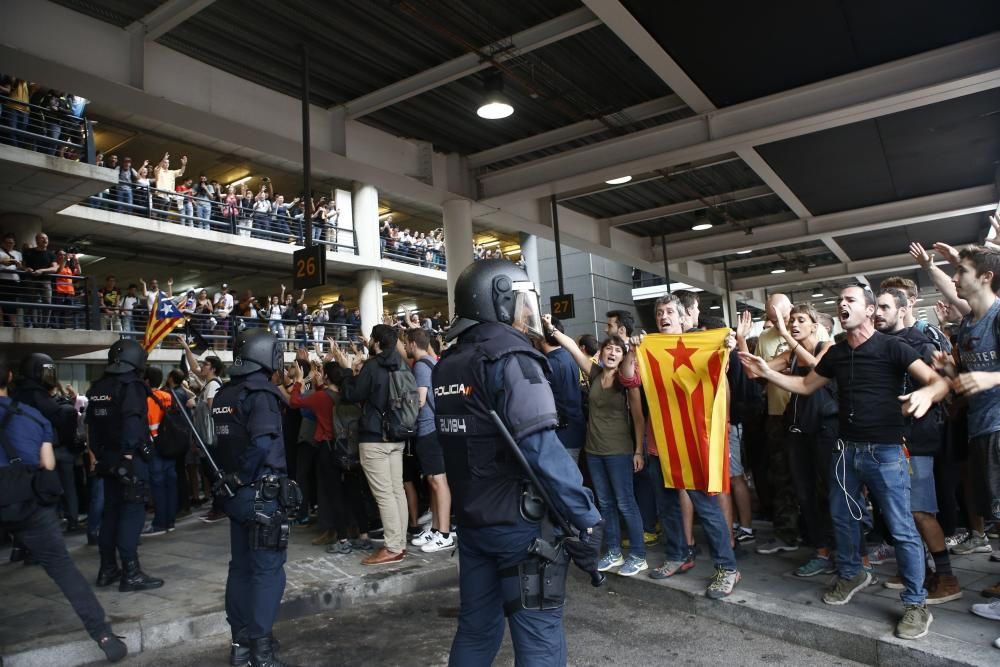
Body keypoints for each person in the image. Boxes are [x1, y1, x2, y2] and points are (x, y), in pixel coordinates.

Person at [740, 283, 951, 640]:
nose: (842, 304)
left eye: (850, 300)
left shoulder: (893, 346)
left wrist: (927, 394)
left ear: (869, 310)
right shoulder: (836, 353)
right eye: (840, 300)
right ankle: (852, 573)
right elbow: (807, 386)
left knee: (901, 528)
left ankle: (916, 604)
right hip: (845, 451)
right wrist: (766, 371)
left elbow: (938, 382)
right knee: (841, 518)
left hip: (885, 453)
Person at [433, 259, 602, 666]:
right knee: (539, 640)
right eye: (522, 302)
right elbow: (542, 448)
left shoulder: (449, 365)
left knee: (475, 631)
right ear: (501, 297)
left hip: (474, 524)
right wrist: (587, 518)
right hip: (521, 531)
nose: (528, 314)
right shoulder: (512, 359)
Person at [0, 355, 129, 663]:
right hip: (29, 504)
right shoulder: (33, 416)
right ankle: (103, 635)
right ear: (8, 376)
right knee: (63, 569)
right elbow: (48, 463)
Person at [619, 295, 741, 598]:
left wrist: (727, 347)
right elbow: (627, 378)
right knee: (668, 506)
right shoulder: (649, 349)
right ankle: (678, 555)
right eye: (659, 312)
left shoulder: (702, 345)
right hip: (659, 443)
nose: (663, 316)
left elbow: (719, 378)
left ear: (682, 316)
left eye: (669, 311)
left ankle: (727, 568)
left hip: (691, 443)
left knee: (707, 507)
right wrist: (633, 352)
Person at [212, 329, 299, 667]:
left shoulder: (224, 394)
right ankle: (261, 651)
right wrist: (245, 476)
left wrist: (232, 481)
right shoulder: (260, 393)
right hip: (261, 494)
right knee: (268, 571)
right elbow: (262, 443)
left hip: (235, 496)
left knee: (241, 569)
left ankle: (241, 645)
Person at [873, 288, 961, 603]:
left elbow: (943, 385)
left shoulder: (920, 344)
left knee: (921, 511)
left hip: (918, 440)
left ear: (901, 310)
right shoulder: (879, 344)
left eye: (884, 307)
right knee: (902, 513)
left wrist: (921, 398)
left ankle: (947, 578)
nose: (877, 313)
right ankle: (919, 569)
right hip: (891, 438)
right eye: (876, 307)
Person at [86, 339, 164, 592]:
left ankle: (107, 568)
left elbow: (91, 427)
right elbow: (133, 422)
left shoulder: (98, 386)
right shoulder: (131, 386)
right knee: (132, 514)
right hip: (128, 461)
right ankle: (130, 573)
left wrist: (99, 455)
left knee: (111, 514)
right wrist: (129, 456)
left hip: (106, 459)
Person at [336, 324, 412, 565]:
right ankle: (400, 543)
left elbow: (351, 394)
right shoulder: (402, 364)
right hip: (397, 436)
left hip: (374, 438)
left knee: (384, 495)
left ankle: (392, 547)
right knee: (396, 490)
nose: (369, 342)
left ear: (377, 342)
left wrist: (347, 372)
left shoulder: (372, 366)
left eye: (371, 339)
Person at [404, 328, 454, 552]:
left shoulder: (421, 366)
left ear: (413, 344)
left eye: (406, 343)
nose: (405, 347)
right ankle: (436, 529)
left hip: (429, 429)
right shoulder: (431, 362)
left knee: (437, 481)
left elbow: (421, 401)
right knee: (433, 482)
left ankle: (444, 533)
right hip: (432, 429)